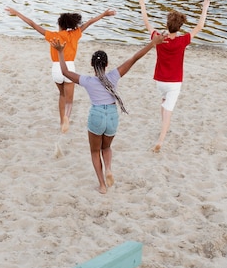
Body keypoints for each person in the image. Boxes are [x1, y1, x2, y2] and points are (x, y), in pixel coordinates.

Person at [49, 35, 166, 194]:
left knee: (95, 151)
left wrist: (60, 52)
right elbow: (134, 58)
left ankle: (102, 185)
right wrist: (153, 43)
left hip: (96, 115)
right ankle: (109, 168)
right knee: (107, 147)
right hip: (112, 114)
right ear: (107, 64)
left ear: (92, 64)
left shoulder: (87, 80)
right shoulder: (114, 75)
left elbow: (64, 71)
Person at [5, 6, 116, 133]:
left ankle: (61, 121)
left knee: (62, 94)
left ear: (60, 24)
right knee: (69, 100)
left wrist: (17, 13)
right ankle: (66, 118)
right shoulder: (75, 34)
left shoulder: (53, 35)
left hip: (56, 68)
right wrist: (103, 14)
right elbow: (90, 22)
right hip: (69, 67)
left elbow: (33, 24)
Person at [139, 0, 210, 152]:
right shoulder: (182, 41)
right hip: (174, 83)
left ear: (167, 25)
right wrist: (204, 8)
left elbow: (146, 22)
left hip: (160, 81)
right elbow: (200, 26)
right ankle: (161, 140)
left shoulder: (158, 38)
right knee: (168, 110)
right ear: (180, 27)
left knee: (164, 103)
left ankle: (162, 128)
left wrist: (142, 2)